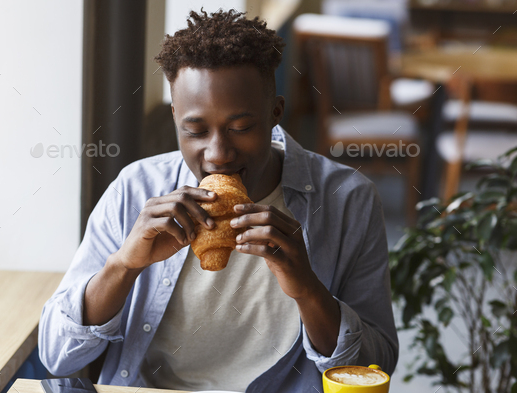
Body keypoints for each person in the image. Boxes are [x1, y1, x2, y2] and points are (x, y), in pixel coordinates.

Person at [39, 9, 398, 392]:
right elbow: (57, 356)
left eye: (241, 128)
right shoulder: (137, 189)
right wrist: (124, 266)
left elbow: (377, 364)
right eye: (194, 130)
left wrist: (308, 290)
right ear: (176, 116)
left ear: (275, 113)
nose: (218, 153)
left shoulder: (347, 200)